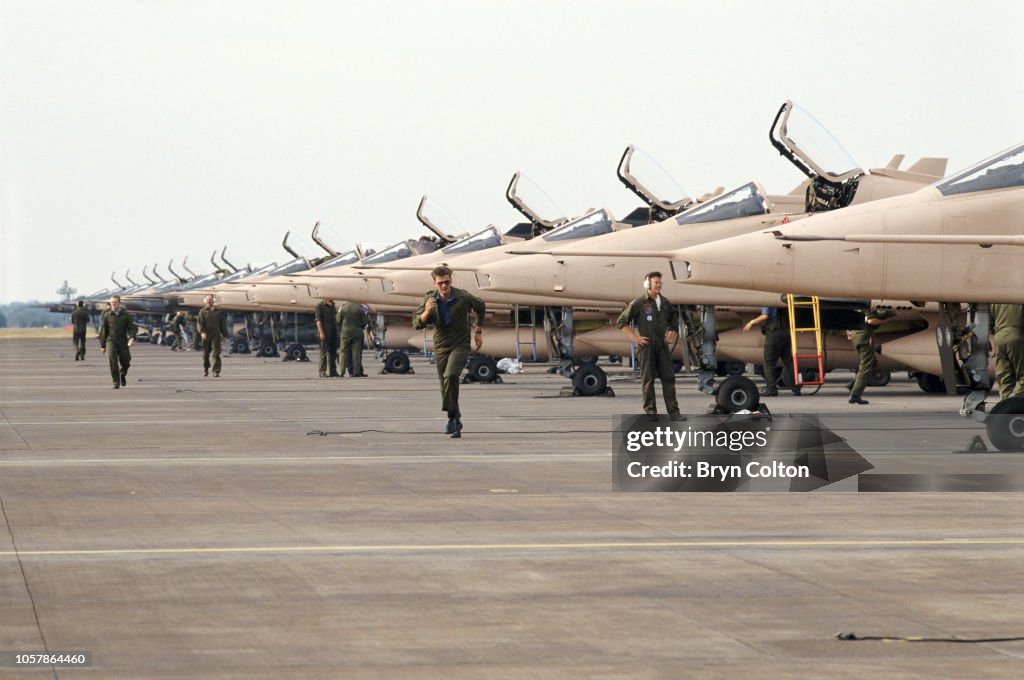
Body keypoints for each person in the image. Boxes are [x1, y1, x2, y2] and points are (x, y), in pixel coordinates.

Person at [413, 266, 485, 438]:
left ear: (451, 281)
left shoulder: (462, 297)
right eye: (440, 283)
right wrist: (427, 312)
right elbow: (416, 323)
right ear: (434, 283)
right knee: (445, 386)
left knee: (451, 376)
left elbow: (480, 306)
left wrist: (478, 330)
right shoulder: (429, 299)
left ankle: (452, 417)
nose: (444, 286)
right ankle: (454, 418)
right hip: (440, 346)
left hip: (460, 344)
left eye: (447, 282)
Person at [617, 272, 683, 421]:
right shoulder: (639, 302)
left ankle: (674, 413)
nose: (658, 285)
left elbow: (674, 322)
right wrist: (635, 338)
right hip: (646, 346)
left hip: (662, 346)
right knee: (648, 380)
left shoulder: (665, 303)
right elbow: (621, 322)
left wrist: (672, 334)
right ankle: (651, 413)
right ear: (648, 285)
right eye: (655, 283)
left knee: (669, 378)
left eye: (660, 283)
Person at [744, 307, 800, 397]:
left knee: (769, 364)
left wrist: (751, 323)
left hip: (774, 334)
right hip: (786, 333)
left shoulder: (770, 298)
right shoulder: (784, 300)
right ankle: (796, 389)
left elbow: (765, 316)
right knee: (789, 363)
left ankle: (771, 389)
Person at [847, 309, 886, 405]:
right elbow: (871, 321)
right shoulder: (869, 307)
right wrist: (886, 320)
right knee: (866, 366)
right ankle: (855, 395)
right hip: (864, 338)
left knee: (871, 363)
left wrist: (849, 333)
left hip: (856, 336)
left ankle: (853, 384)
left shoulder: (855, 307)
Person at [98, 295, 137, 389]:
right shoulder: (107, 315)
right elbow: (104, 331)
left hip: (123, 342)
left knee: (126, 361)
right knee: (113, 362)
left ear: (119, 303)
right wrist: (102, 345)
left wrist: (131, 338)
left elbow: (132, 328)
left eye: (115, 302)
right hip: (112, 341)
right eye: (112, 302)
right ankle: (116, 382)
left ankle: (123, 373)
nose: (113, 304)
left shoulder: (126, 315)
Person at [991, 303, 1024, 401]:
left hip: (999, 337)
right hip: (1017, 335)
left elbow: (989, 321)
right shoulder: (1018, 295)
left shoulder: (995, 299)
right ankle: (1010, 401)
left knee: (1004, 378)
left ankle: (1005, 407)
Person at [196, 294, 229, 377]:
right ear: (205, 301)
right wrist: (202, 332)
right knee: (205, 354)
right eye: (208, 299)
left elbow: (223, 324)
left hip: (216, 334)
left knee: (215, 353)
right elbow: (200, 323)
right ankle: (206, 368)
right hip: (206, 335)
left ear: (213, 300)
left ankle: (216, 371)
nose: (209, 301)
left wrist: (224, 335)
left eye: (210, 299)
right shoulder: (202, 311)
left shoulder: (219, 312)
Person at [338, 301, 369, 377]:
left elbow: (338, 320)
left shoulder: (343, 307)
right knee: (356, 353)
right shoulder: (360, 308)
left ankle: (341, 372)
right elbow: (365, 322)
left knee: (343, 352)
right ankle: (356, 372)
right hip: (357, 332)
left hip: (345, 332)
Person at [314, 298, 340, 377]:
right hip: (325, 331)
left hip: (333, 331)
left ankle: (333, 371)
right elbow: (318, 320)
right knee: (324, 352)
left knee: (333, 352)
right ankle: (322, 371)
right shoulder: (320, 306)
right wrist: (321, 332)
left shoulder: (333, 304)